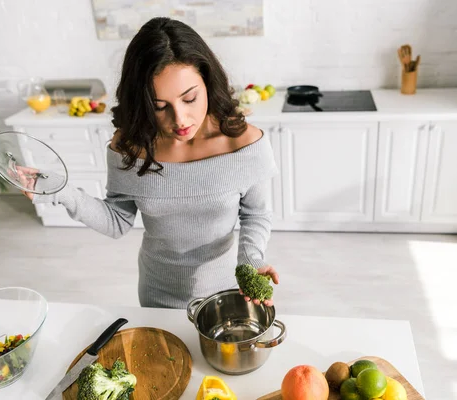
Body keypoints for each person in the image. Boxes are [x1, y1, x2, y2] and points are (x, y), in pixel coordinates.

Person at [19, 17, 280, 309]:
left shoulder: (243, 143)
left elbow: (256, 214)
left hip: (229, 290)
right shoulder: (130, 147)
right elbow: (117, 220)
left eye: (190, 98)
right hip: (159, 292)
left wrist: (251, 261)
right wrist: (61, 191)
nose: (179, 119)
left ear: (207, 82)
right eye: (160, 106)